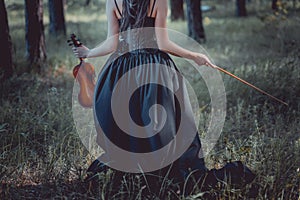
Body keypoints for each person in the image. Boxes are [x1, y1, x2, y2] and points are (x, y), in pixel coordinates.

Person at [72, 0, 256, 196]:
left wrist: (89, 52)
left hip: (121, 70)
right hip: (153, 69)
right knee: (163, 126)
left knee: (130, 124)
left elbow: (112, 43)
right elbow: (163, 44)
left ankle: (137, 177)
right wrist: (194, 56)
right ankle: (161, 174)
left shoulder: (114, 1)